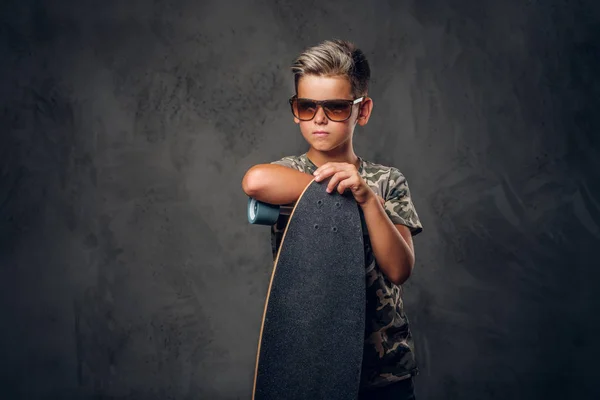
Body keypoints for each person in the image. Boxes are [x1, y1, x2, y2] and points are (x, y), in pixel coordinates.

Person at [241, 39, 423, 400]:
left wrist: (367, 198)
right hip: (311, 362)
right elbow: (255, 180)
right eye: (306, 106)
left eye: (336, 107)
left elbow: (400, 269)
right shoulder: (289, 173)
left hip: (385, 370)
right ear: (295, 110)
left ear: (363, 110)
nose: (319, 118)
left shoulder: (386, 181)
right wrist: (339, 189)